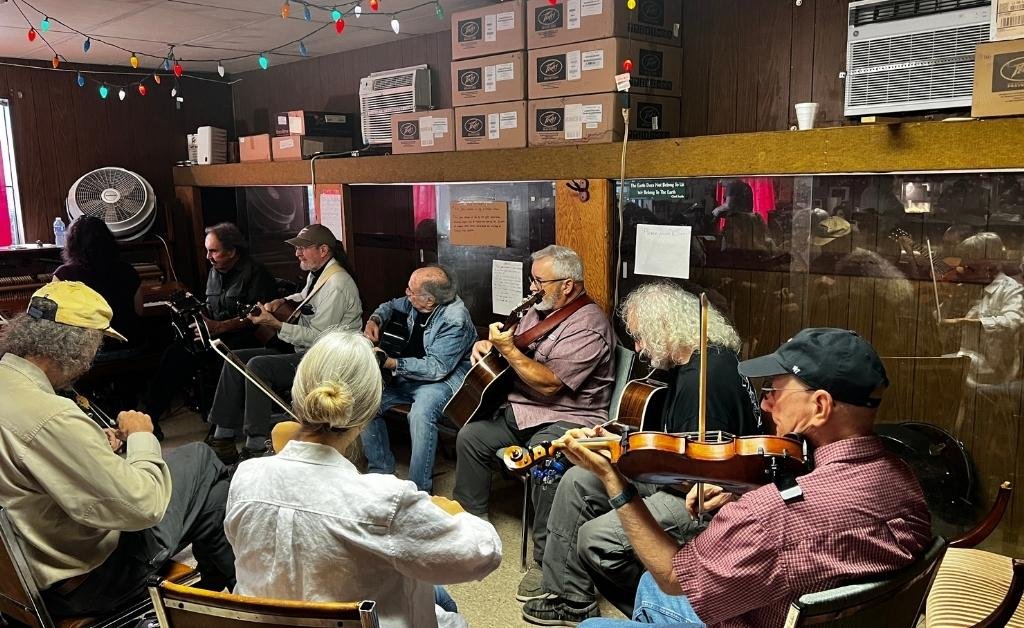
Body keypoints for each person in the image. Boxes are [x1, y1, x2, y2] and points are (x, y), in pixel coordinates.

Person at [563, 328, 931, 627]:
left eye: (774, 390)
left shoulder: (772, 514)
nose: (766, 402)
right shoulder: (905, 480)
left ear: (820, 406)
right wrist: (741, 495)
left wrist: (615, 481)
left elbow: (674, 577)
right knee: (647, 586)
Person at [521, 282, 761, 625]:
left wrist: (622, 463)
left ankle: (658, 610)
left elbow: (698, 476)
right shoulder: (699, 358)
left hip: (701, 497)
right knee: (577, 480)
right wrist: (620, 441)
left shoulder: (702, 381)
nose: (638, 346)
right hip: (676, 473)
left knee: (598, 539)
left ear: (664, 327)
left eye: (640, 335)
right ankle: (569, 597)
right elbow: (675, 441)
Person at [225, 330, 501, 628]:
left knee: (437, 595)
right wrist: (453, 512)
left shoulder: (246, 477)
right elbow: (484, 553)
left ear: (298, 395)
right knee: (451, 615)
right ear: (370, 410)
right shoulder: (387, 502)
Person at [0, 281, 234, 617]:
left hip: (22, 577)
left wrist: (92, 443)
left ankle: (219, 601)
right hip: (90, 583)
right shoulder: (52, 416)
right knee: (202, 458)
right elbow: (145, 505)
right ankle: (231, 601)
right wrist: (141, 435)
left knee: (212, 496)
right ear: (78, 346)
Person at [453, 245, 614, 564]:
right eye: (532, 279)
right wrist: (486, 345)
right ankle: (471, 527)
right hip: (523, 412)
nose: (531, 287)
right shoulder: (536, 310)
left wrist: (509, 351)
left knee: (546, 464)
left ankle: (547, 559)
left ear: (567, 285)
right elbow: (509, 344)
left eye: (539, 281)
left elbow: (550, 383)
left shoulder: (589, 325)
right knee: (470, 438)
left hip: (570, 418)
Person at [206, 224, 362, 464]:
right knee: (234, 357)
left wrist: (276, 324)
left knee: (259, 366)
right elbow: (305, 297)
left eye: (303, 248)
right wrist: (281, 300)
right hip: (311, 352)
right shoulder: (319, 273)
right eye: (297, 248)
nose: (297, 253)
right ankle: (222, 437)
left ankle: (256, 444)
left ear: (323, 250)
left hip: (328, 358)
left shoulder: (338, 283)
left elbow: (319, 337)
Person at [139, 222, 277, 436]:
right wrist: (196, 314)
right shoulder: (214, 272)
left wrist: (219, 327)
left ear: (232, 251)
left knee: (226, 357)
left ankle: (222, 426)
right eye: (207, 250)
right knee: (174, 354)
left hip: (246, 337)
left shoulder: (257, 273)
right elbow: (211, 308)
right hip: (213, 333)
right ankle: (149, 419)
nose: (208, 257)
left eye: (213, 251)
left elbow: (258, 318)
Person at [360, 266, 477, 492]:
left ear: (430, 299)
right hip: (411, 374)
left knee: (421, 414)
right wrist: (374, 320)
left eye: (411, 291)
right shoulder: (414, 301)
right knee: (366, 400)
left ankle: (418, 490)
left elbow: (437, 368)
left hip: (444, 379)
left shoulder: (455, 319)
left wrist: (393, 363)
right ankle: (381, 471)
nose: (406, 293)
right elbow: (390, 305)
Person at [941, 232, 1024, 387]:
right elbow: (941, 320)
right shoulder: (968, 288)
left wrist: (965, 322)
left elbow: (1013, 321)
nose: (962, 270)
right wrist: (943, 298)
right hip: (966, 363)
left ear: (988, 264)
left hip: (991, 372)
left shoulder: (1011, 289)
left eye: (970, 267)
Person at [53, 216, 143, 351]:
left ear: (72, 244)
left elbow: (56, 318)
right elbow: (139, 311)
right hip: (132, 346)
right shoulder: (129, 270)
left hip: (91, 354)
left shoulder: (64, 275)